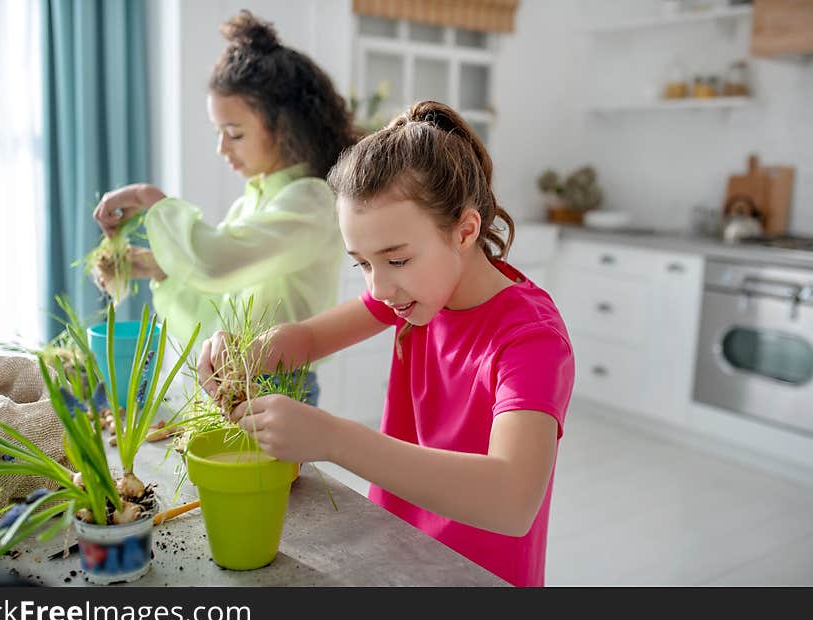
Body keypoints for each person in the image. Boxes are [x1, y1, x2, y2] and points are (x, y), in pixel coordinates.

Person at [197, 100, 576, 587]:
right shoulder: (417, 290)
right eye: (362, 263)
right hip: (390, 557)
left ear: (465, 230)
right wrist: (250, 350)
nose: (377, 288)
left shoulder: (531, 339)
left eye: (395, 260)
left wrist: (333, 439)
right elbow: (310, 338)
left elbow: (512, 500)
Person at [92, 10, 357, 404]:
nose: (222, 149)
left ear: (284, 128)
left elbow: (212, 262)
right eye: (219, 133)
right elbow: (215, 315)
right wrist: (160, 270)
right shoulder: (255, 201)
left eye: (234, 134)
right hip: (234, 379)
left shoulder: (311, 203)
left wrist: (151, 200)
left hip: (278, 385)